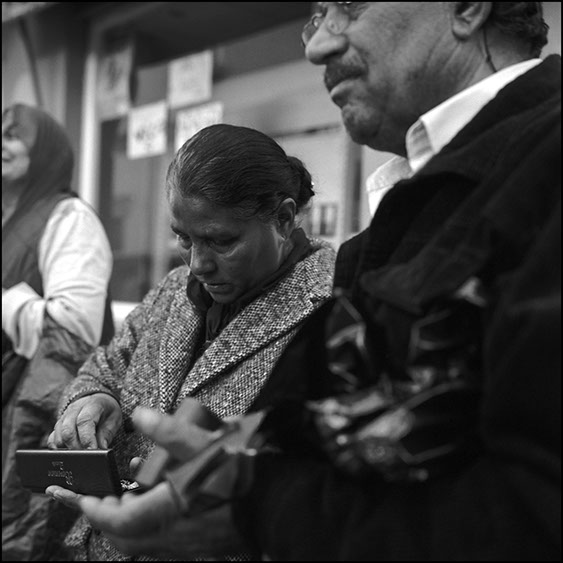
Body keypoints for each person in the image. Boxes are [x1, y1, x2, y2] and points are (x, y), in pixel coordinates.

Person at [49, 2, 561, 561]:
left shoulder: (531, 180)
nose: (317, 44)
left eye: (350, 6)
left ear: (466, 9)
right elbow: (387, 456)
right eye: (318, 14)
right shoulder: (415, 210)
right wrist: (241, 477)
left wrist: (252, 510)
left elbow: (527, 510)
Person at [45, 123, 337, 561]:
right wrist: (92, 399)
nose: (198, 263)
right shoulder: (173, 289)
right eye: (183, 237)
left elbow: (324, 495)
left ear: (283, 218)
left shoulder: (332, 309)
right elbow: (106, 364)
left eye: (221, 241)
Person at [2, 103, 114, 561]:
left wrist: (7, 298)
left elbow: (74, 325)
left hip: (33, 419)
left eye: (13, 135)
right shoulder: (10, 220)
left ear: (45, 151)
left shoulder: (69, 218)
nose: (1, 142)